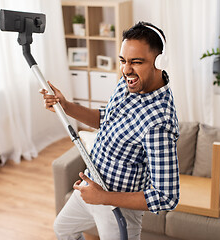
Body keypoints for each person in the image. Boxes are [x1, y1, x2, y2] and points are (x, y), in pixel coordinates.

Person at [40, 21, 180, 240]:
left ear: (159, 62)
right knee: (63, 229)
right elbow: (106, 119)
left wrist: (104, 197)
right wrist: (66, 106)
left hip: (117, 208)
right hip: (91, 186)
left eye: (136, 62)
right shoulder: (129, 83)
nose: (126, 70)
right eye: (123, 60)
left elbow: (166, 197)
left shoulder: (158, 123)